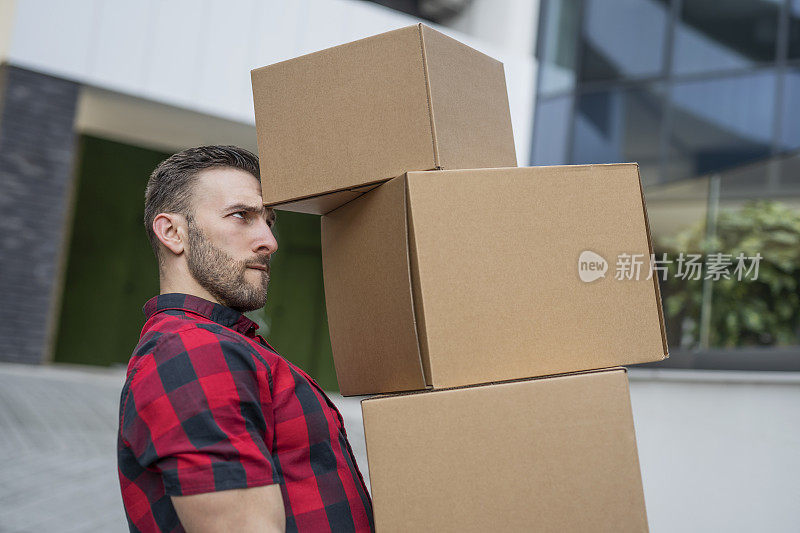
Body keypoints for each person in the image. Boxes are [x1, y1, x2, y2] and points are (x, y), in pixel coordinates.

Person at [117, 146, 374, 532]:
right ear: (172, 232)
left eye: (269, 221)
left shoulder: (221, 342)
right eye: (242, 216)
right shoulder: (192, 350)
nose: (269, 241)